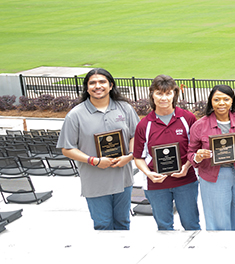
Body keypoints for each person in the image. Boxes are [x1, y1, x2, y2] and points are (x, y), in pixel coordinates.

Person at [57, 68, 139, 230]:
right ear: (87, 88)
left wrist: (129, 156)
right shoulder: (75, 115)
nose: (97, 86)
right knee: (103, 224)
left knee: (123, 222)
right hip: (95, 181)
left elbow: (136, 136)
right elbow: (67, 148)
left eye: (102, 82)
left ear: (110, 85)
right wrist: (93, 161)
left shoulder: (125, 108)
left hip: (123, 178)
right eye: (92, 83)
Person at [132, 75, 201, 231]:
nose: (164, 98)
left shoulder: (187, 118)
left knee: (191, 224)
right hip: (157, 184)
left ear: (175, 94)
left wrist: (187, 166)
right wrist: (149, 174)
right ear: (152, 95)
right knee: (164, 226)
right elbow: (138, 157)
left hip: (186, 181)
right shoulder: (144, 124)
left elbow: (195, 148)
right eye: (159, 93)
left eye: (168, 93)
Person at [188, 85, 235, 231]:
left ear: (232, 101)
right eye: (217, 99)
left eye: (226, 99)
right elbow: (190, 154)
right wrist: (198, 156)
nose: (221, 103)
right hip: (213, 177)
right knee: (219, 220)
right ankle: (222, 250)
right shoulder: (199, 126)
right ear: (211, 102)